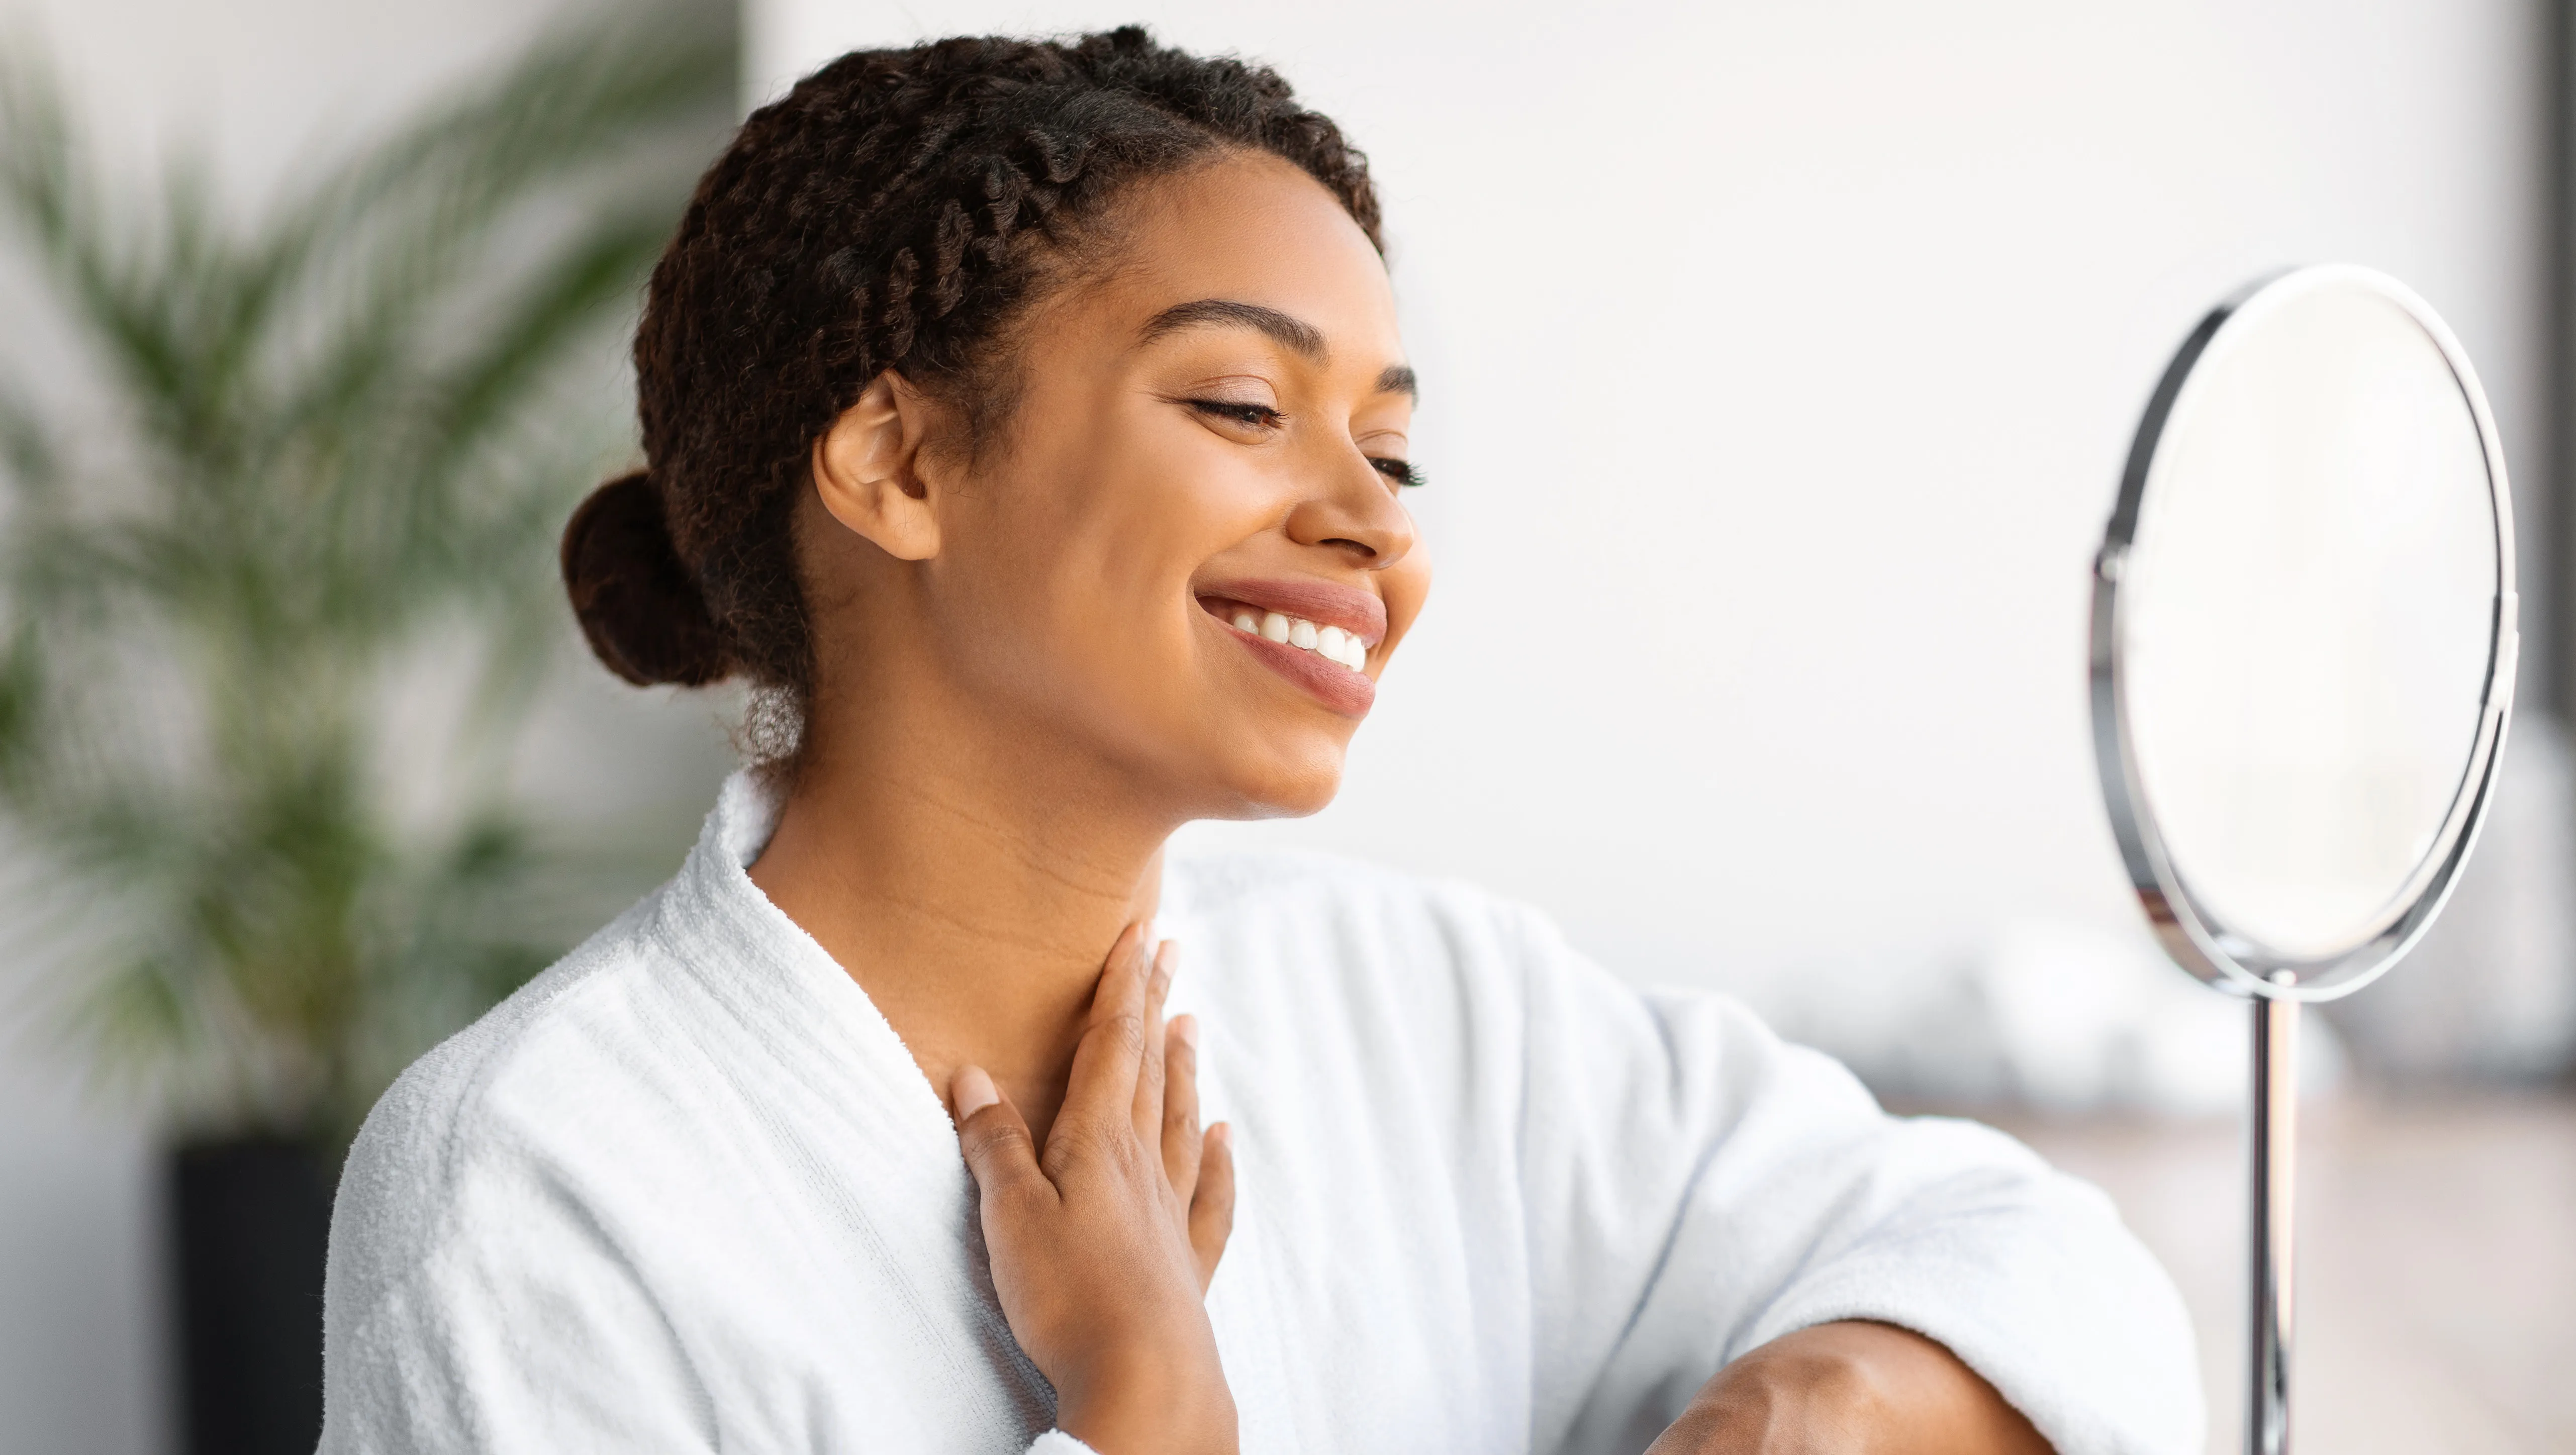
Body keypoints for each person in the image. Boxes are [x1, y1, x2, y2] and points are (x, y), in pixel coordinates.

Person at [319, 28, 2200, 1455]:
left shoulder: (1425, 1007)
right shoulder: (537, 1191)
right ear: (898, 462)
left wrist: (1815, 1402)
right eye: (1242, 402)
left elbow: (2031, 1259)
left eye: (1390, 449)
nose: (1378, 527)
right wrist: (1150, 1397)